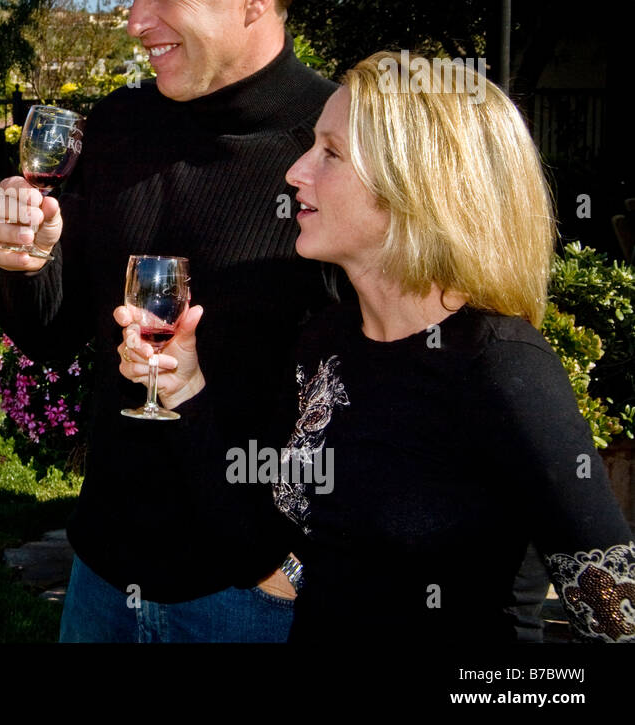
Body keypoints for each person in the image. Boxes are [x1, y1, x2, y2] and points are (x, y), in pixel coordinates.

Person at [120, 52, 635, 642]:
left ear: (416, 186)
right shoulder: (326, 343)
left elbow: (617, 623)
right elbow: (251, 543)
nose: (296, 171)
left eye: (331, 153)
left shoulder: (501, 366)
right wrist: (186, 388)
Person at [0, 0, 335, 641]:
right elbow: (54, 332)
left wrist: (294, 562)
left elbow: (394, 373)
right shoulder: (117, 129)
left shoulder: (334, 148)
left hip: (254, 598)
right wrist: (23, 265)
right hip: (103, 575)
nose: (136, 19)